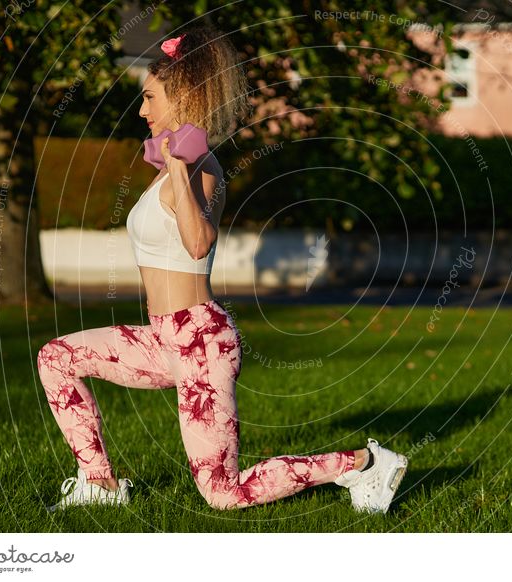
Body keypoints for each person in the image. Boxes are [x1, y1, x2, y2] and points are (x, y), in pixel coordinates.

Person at [37, 26, 407, 514]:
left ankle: (363, 463)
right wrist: (167, 162)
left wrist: (174, 166)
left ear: (183, 99)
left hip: (201, 342)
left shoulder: (199, 168)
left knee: (222, 493)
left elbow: (198, 242)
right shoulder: (175, 164)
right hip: (163, 336)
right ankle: (99, 484)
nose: (142, 110)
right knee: (56, 358)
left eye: (149, 98)